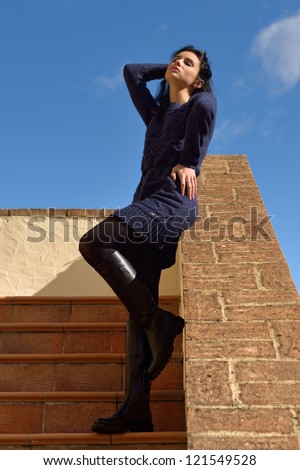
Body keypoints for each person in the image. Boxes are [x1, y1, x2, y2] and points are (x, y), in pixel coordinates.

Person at [79, 45, 217, 434]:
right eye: (176, 58)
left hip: (171, 204)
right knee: (136, 315)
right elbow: (131, 71)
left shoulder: (200, 103)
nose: (177, 63)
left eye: (187, 62)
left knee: (95, 242)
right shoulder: (156, 116)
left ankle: (160, 322)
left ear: (200, 78)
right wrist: (173, 68)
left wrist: (189, 161)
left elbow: (207, 106)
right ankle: (136, 407)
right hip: (146, 201)